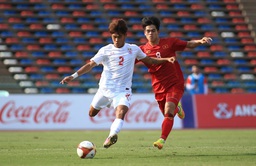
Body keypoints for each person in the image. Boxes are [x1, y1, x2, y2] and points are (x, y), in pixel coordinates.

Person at [60, 19, 175, 149]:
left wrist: (165, 59)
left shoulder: (133, 49)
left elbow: (150, 60)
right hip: (104, 90)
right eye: (114, 37)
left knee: (121, 112)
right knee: (91, 113)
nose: (116, 40)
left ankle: (112, 135)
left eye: (119, 37)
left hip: (122, 91)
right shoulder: (105, 50)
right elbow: (90, 65)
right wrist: (73, 76)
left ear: (125, 36)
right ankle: (109, 126)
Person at [139, 16, 212, 149]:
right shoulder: (142, 50)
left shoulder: (170, 43)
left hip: (175, 83)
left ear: (158, 31)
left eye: (153, 30)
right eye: (148, 31)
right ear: (144, 33)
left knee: (168, 111)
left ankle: (161, 140)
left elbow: (188, 44)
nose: (151, 33)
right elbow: (127, 61)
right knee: (168, 114)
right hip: (158, 87)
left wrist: (200, 41)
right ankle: (178, 108)